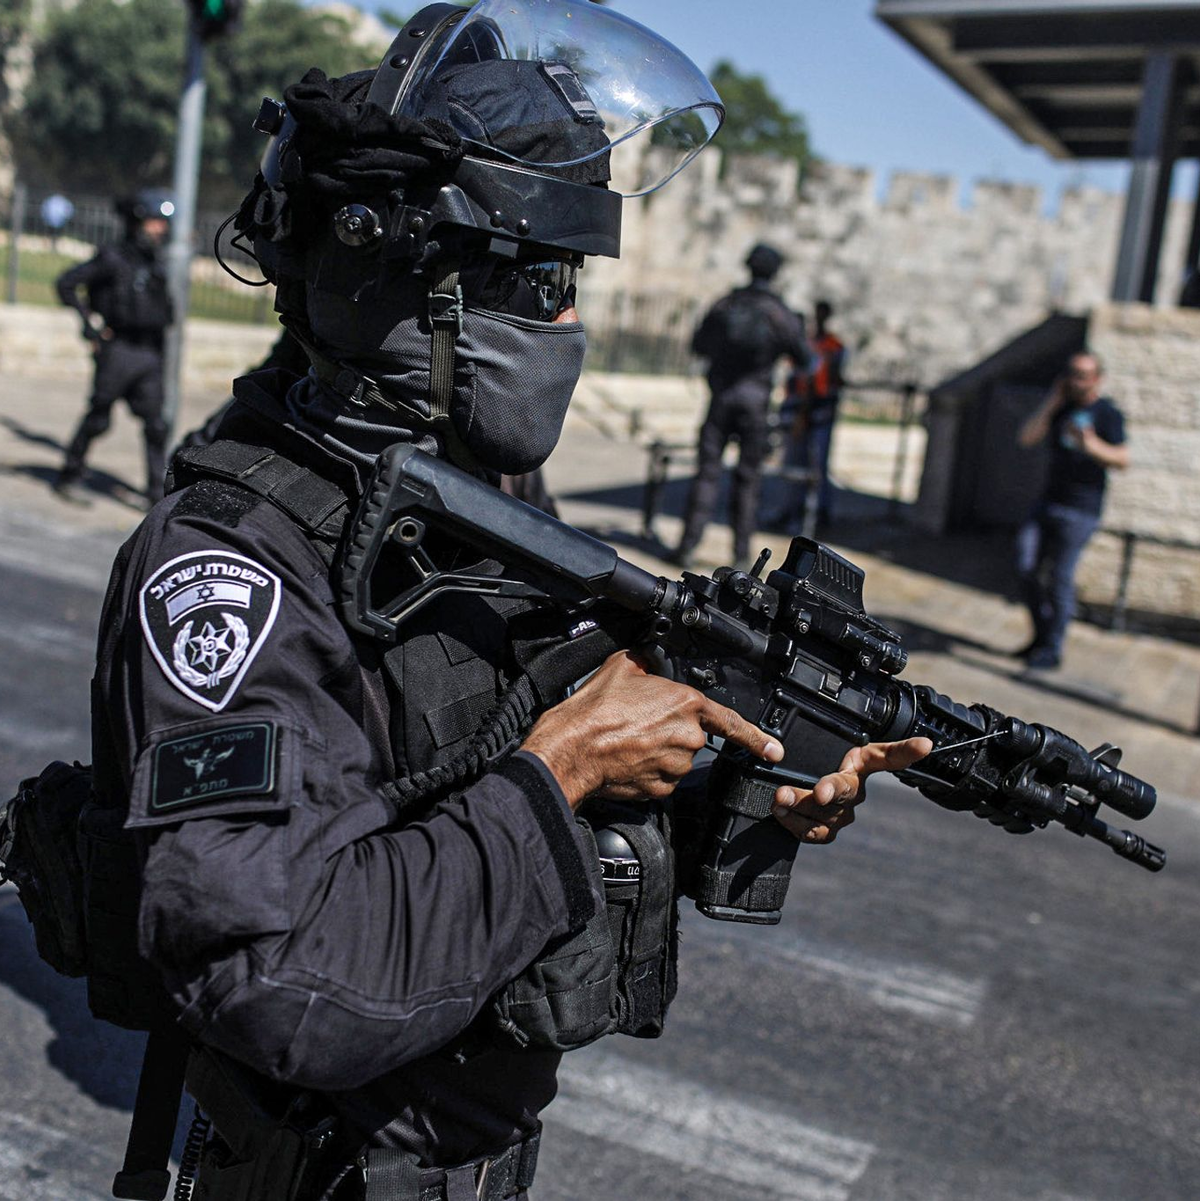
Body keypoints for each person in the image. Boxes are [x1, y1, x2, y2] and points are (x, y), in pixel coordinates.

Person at [87, 5, 928, 1197]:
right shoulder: (236, 564)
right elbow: (281, 979)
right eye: (541, 280)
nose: (568, 320)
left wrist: (723, 784)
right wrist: (568, 768)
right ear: (411, 295)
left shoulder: (473, 509)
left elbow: (465, 776)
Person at [675, 243, 808, 569]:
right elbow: (805, 358)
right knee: (749, 480)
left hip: (721, 399)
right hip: (756, 404)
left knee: (706, 474)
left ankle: (687, 547)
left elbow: (698, 345)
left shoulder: (726, 304)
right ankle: (741, 555)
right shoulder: (779, 313)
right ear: (775, 272)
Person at [53, 189, 175, 507]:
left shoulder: (156, 263)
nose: (159, 229)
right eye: (153, 221)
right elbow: (66, 283)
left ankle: (154, 494)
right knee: (98, 418)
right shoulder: (113, 258)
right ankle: (69, 475)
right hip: (118, 350)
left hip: (149, 354)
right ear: (137, 222)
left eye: (163, 223)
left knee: (156, 426)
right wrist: (89, 324)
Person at [1015, 351, 1129, 669]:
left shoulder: (1107, 414)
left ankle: (1052, 649)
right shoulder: (1060, 408)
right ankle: (1040, 636)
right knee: (1025, 567)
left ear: (1096, 379)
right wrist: (1051, 402)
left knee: (1060, 578)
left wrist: (1090, 444)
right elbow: (1026, 437)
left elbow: (1122, 459)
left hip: (1082, 510)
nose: (1075, 380)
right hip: (1048, 502)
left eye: (1082, 374)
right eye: (1071, 373)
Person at [775, 299, 846, 533]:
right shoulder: (807, 344)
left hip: (818, 413)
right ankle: (790, 511)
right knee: (794, 464)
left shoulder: (833, 346)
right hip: (802, 412)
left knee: (816, 467)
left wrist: (803, 414)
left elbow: (818, 384)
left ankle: (815, 515)